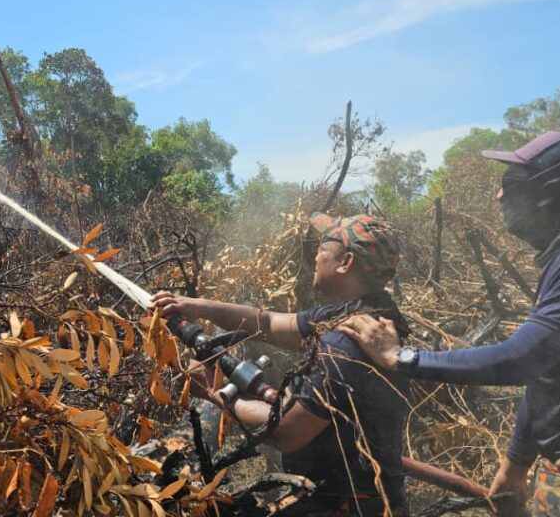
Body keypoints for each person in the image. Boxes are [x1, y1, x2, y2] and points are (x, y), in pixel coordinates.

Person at [338, 132, 560, 516]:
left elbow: (522, 359)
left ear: (549, 191)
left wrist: (401, 357)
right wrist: (516, 463)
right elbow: (550, 375)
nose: (499, 196)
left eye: (510, 183)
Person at [152, 213, 411, 516]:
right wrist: (197, 306)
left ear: (346, 262)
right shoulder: (361, 315)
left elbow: (285, 432)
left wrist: (213, 390)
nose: (316, 257)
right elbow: (270, 323)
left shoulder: (346, 342)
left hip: (346, 506)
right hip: (355, 497)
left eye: (323, 248)